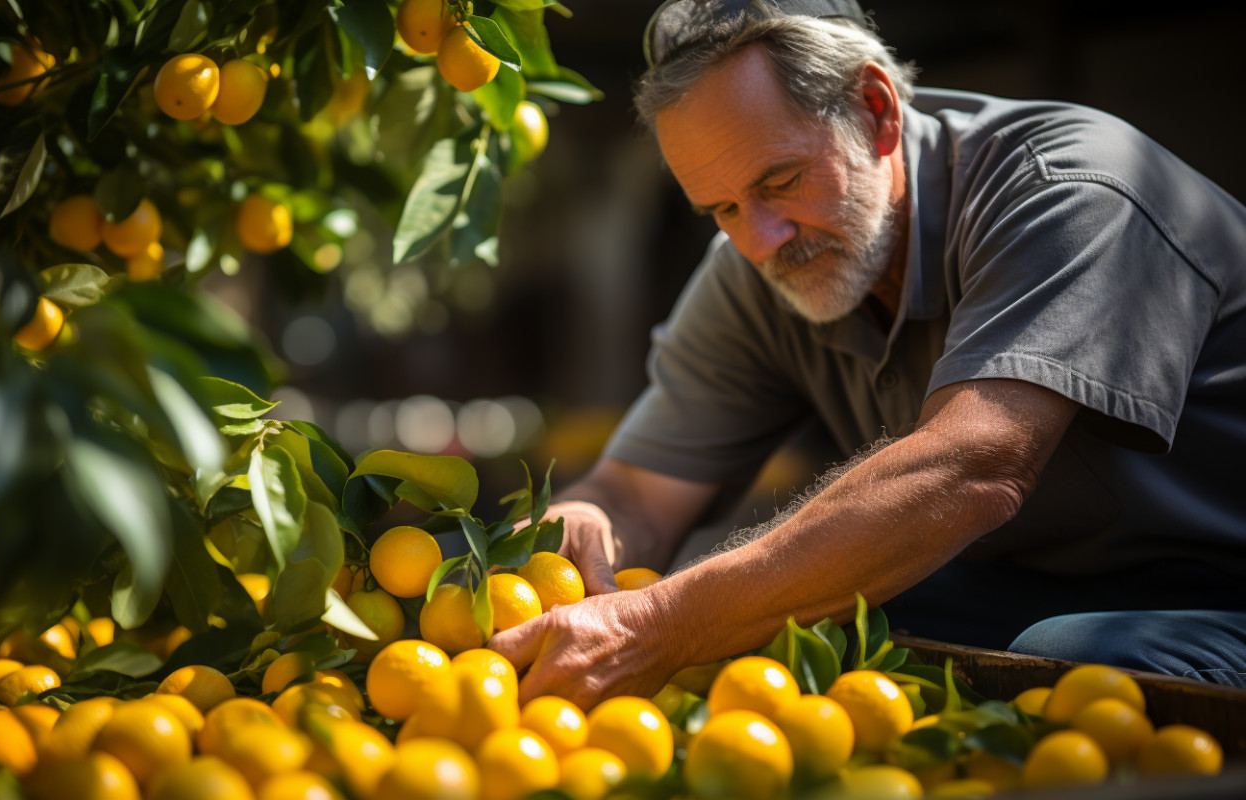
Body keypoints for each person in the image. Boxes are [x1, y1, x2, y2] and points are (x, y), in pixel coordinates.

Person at [488, 0, 1246, 709]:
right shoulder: (759, 265)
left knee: (1077, 667)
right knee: (804, 622)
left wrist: (660, 621)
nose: (759, 242)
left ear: (875, 110)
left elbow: (972, 468)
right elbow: (635, 497)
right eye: (719, 208)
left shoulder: (1068, 189)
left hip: (1216, 593)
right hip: (1026, 591)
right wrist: (579, 524)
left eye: (779, 181)